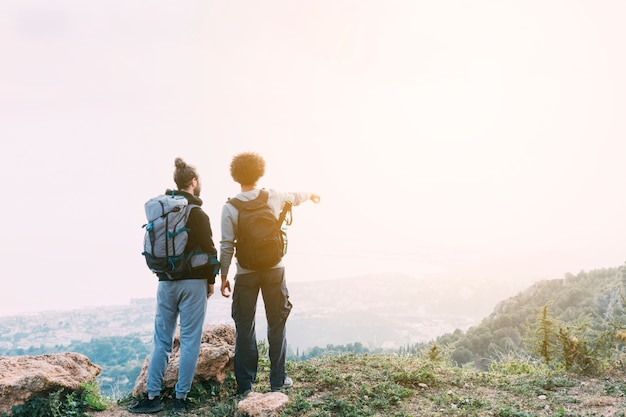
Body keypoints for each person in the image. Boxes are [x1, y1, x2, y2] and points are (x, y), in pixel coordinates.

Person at [219, 151, 320, 394]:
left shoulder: (230, 207)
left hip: (245, 273)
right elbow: (296, 196)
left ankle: (245, 385)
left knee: (245, 326)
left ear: (235, 175)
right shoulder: (273, 195)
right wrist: (312, 195)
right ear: (259, 171)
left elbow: (226, 245)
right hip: (274, 269)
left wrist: (223, 276)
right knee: (277, 322)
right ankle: (278, 379)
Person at [130, 157, 219, 414]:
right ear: (193, 182)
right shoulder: (198, 213)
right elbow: (211, 252)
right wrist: (211, 281)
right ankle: (180, 399)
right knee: (190, 341)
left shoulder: (164, 211)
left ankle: (152, 397)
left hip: (165, 283)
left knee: (161, 341)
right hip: (193, 285)